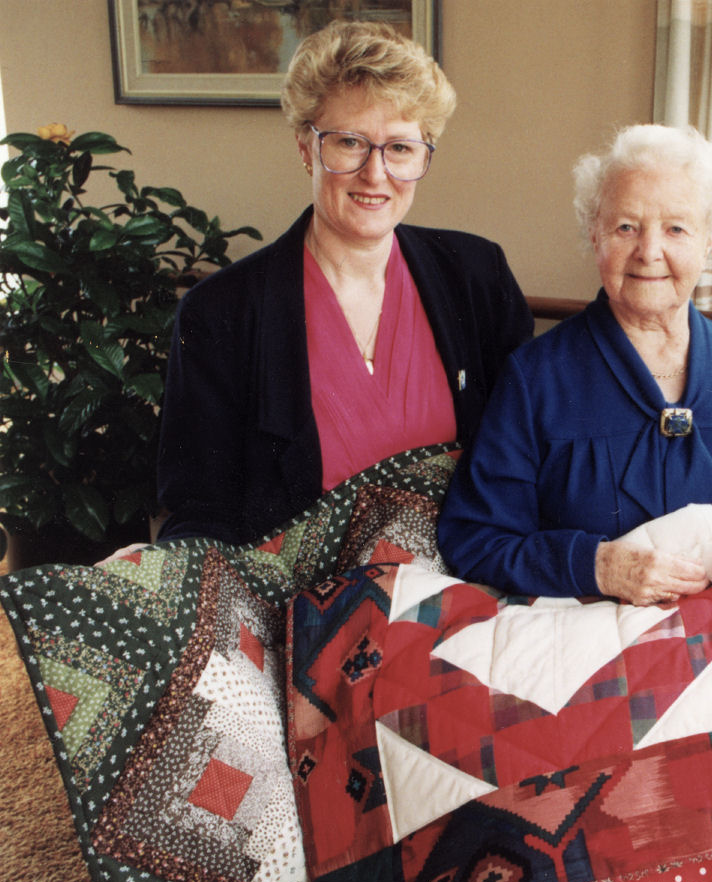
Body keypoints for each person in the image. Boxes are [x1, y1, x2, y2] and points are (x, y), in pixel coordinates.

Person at [154, 21, 532, 544]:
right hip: (295, 607)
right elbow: (200, 511)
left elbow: (527, 462)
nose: (375, 174)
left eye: (400, 148)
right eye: (350, 142)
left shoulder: (477, 275)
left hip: (464, 583)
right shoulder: (220, 312)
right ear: (306, 147)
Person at [437, 124, 712, 606]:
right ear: (595, 236)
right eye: (626, 227)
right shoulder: (535, 379)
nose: (648, 252)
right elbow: (475, 539)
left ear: (710, 241)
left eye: (676, 228)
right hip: (579, 651)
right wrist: (595, 566)